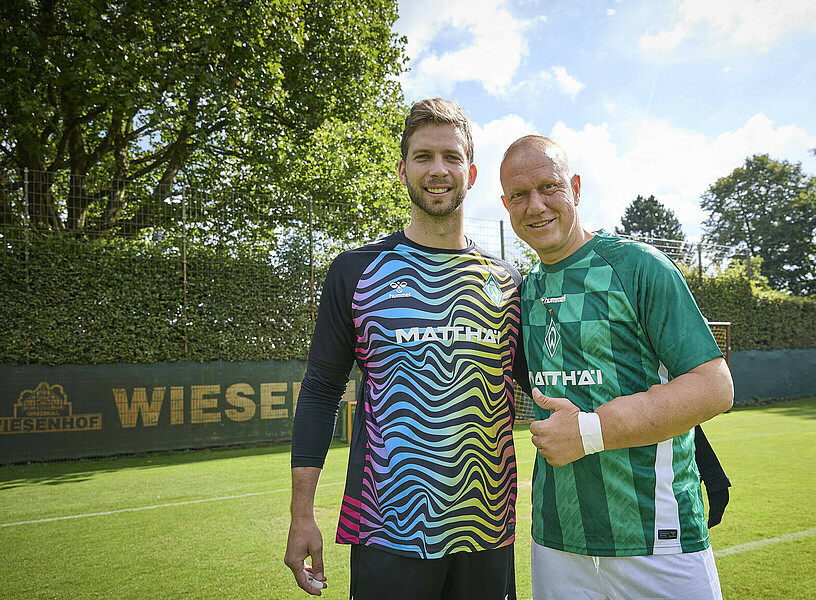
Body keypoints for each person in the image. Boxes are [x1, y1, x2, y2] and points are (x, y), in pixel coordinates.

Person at [284, 99, 522, 600]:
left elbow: (553, 386)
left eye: (452, 157)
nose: (438, 170)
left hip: (487, 533)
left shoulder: (507, 281)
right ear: (402, 169)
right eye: (423, 156)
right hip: (385, 533)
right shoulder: (355, 272)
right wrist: (301, 515)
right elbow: (321, 391)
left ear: (472, 172)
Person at [499, 135, 735, 600]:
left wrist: (589, 432)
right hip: (557, 544)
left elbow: (714, 387)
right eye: (520, 195)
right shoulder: (519, 293)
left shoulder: (639, 266)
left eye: (550, 187)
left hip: (658, 540)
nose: (537, 205)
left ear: (577, 188)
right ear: (505, 203)